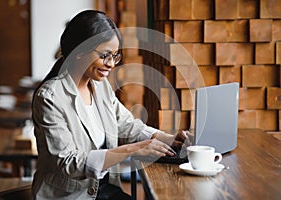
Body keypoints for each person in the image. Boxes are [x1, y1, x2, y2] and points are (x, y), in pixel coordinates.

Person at [31, 10, 189, 200]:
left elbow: (126, 124)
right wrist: (133, 149)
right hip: (70, 196)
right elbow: (68, 163)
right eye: (105, 55)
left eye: (115, 56)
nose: (111, 64)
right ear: (80, 51)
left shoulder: (100, 86)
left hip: (103, 190)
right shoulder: (49, 97)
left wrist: (169, 139)